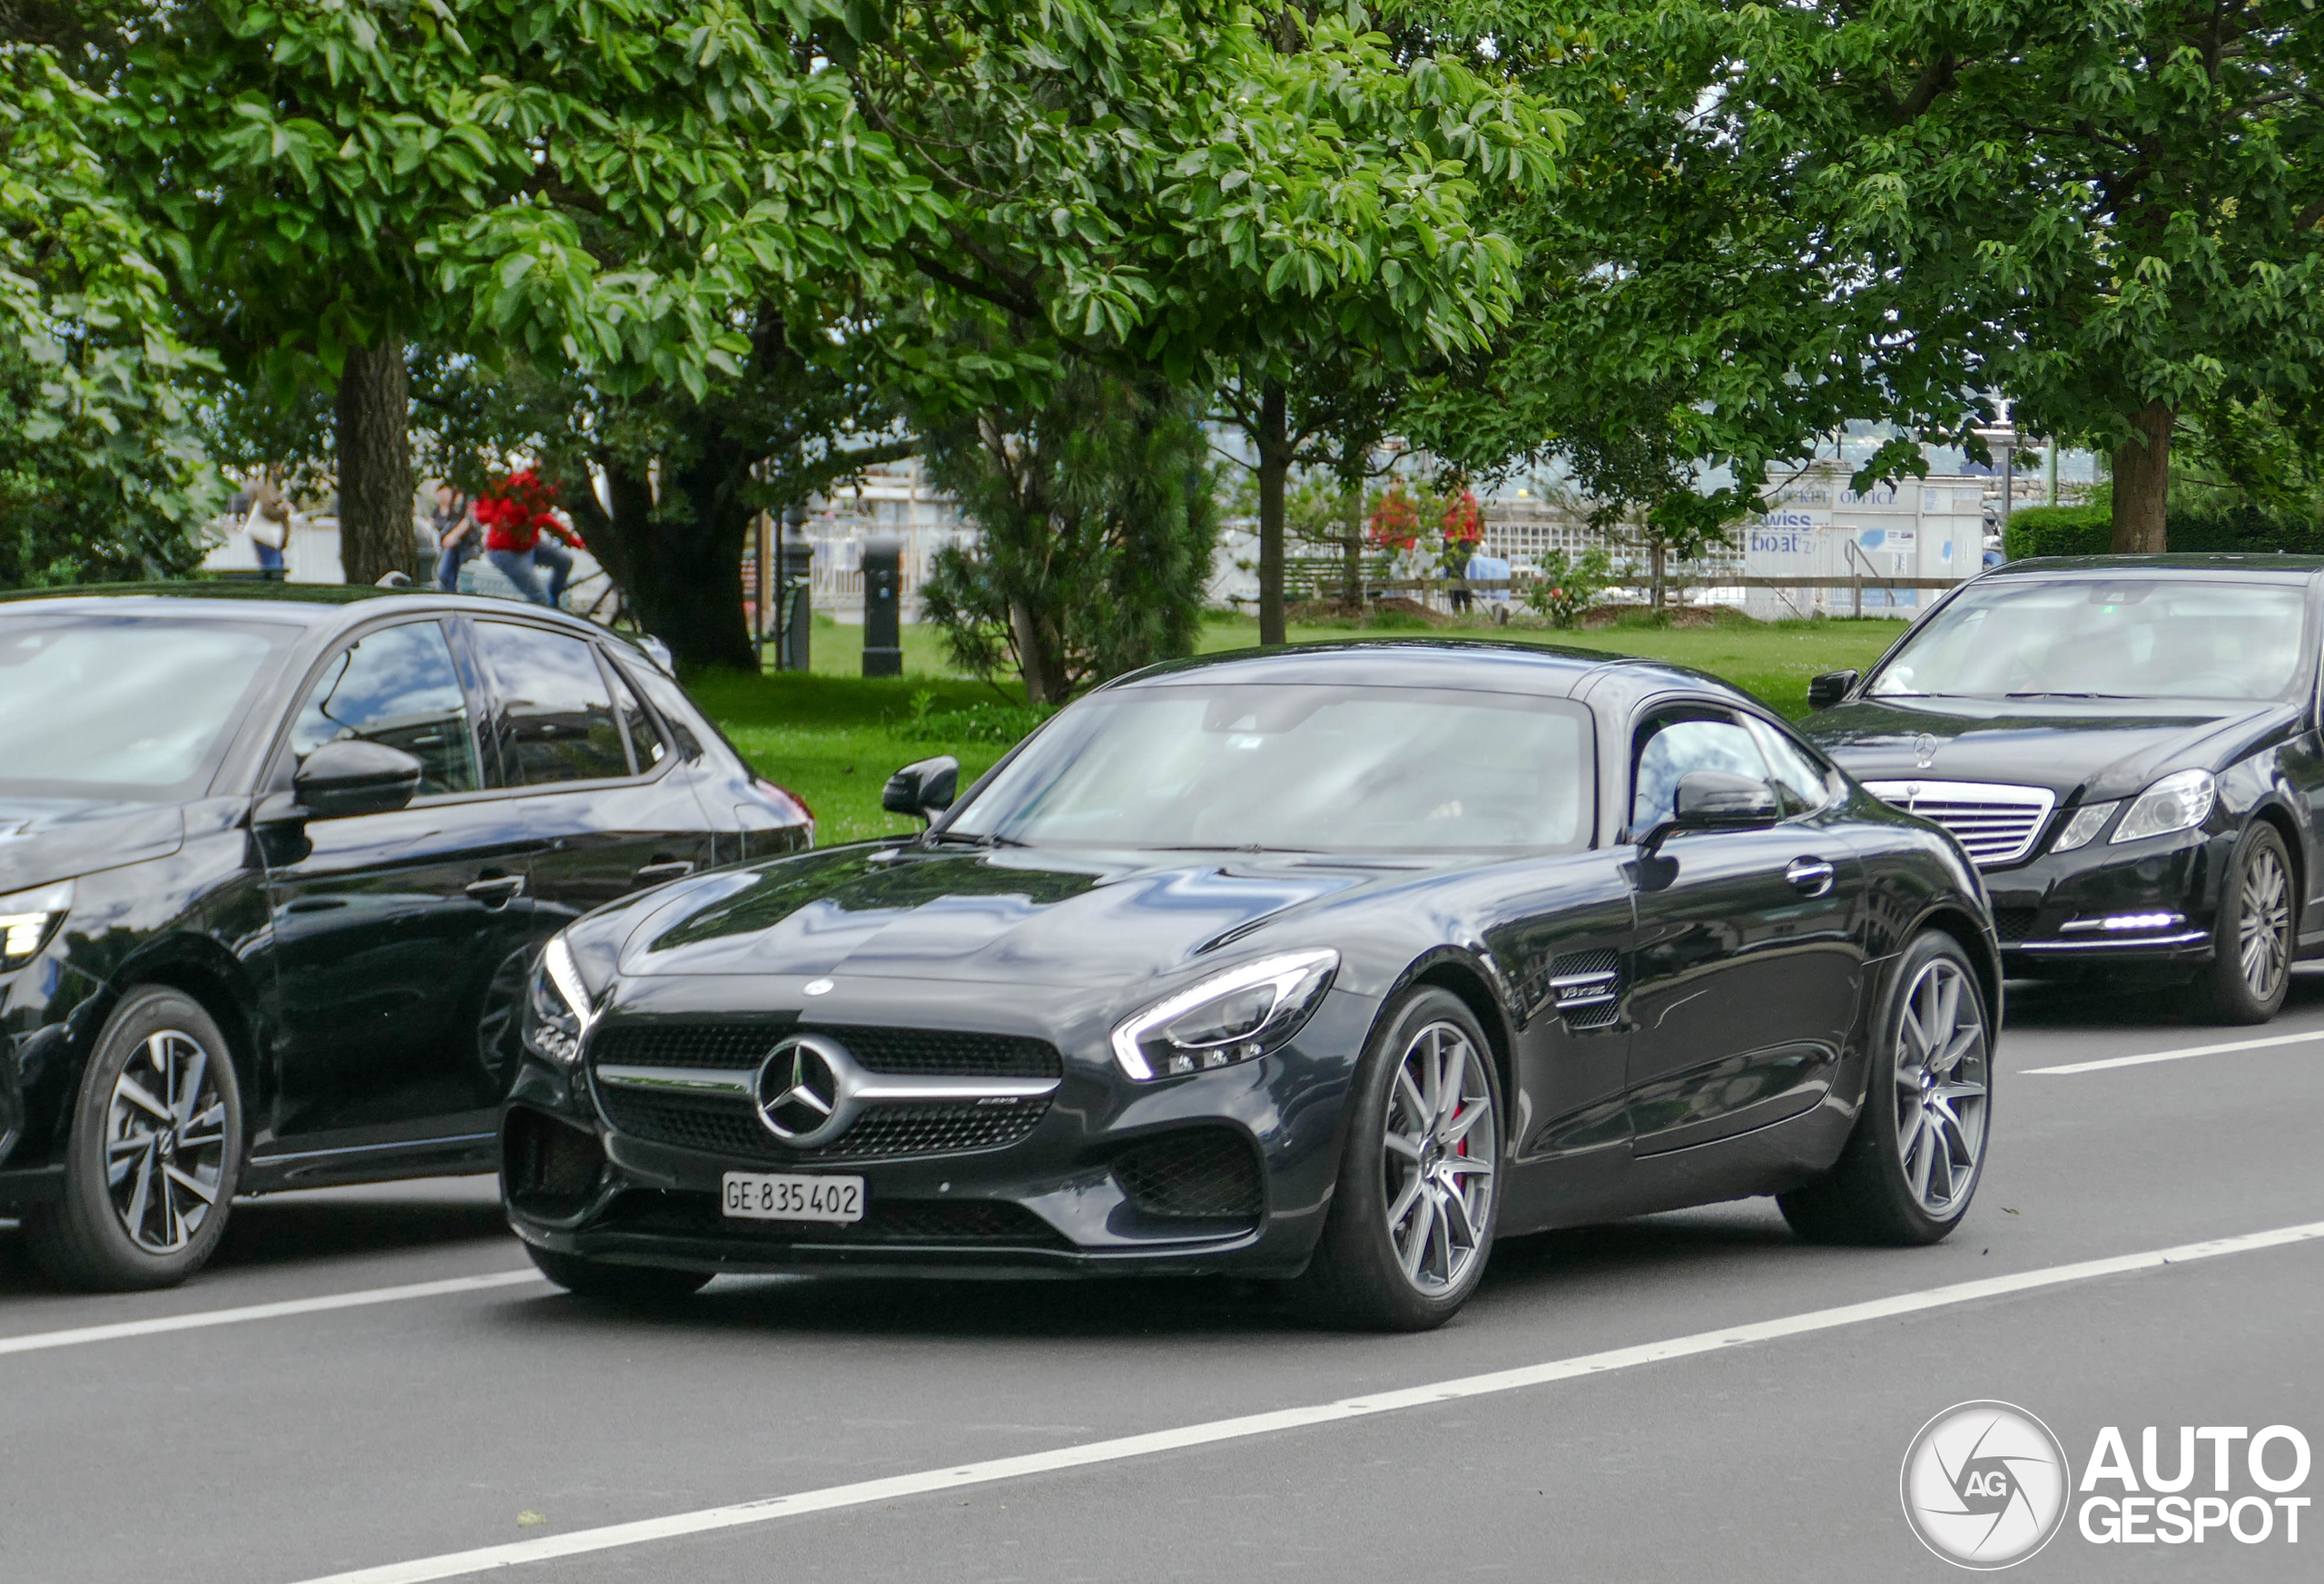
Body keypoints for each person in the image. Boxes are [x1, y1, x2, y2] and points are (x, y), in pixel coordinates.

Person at [479, 478, 586, 608]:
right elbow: (546, 520)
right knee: (541, 599)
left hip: (530, 546)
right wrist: (575, 542)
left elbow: (549, 522)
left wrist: (578, 543)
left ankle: (554, 598)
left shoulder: (536, 502)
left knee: (564, 561)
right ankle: (547, 614)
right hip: (505, 552)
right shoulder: (515, 505)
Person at [431, 484, 478, 593]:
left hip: (468, 544)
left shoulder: (470, 493)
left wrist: (454, 535)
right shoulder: (456, 493)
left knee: (465, 581)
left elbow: (470, 519)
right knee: (444, 576)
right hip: (453, 546)